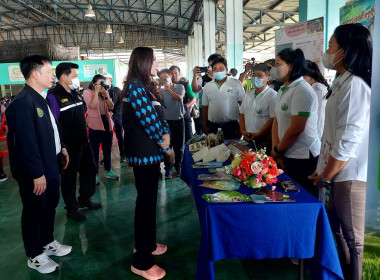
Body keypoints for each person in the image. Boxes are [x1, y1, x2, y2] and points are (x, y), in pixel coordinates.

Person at [309, 23, 372, 280]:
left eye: (330, 46)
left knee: (355, 242)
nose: (326, 52)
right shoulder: (342, 83)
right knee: (341, 235)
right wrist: (322, 172)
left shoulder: (355, 85)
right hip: (336, 173)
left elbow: (348, 139)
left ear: (344, 51)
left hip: (350, 175)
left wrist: (326, 175)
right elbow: (331, 136)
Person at [6, 55, 71, 274]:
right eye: (48, 71)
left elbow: (52, 128)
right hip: (35, 170)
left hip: (50, 163)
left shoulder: (41, 97)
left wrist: (61, 147)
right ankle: (34, 255)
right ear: (35, 73)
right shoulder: (23, 103)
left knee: (50, 205)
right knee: (34, 210)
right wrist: (36, 173)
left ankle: (47, 241)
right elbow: (25, 143)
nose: (52, 75)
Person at [122, 47, 174, 280]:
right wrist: (165, 145)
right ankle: (141, 261)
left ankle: (149, 244)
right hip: (144, 154)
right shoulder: (134, 86)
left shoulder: (145, 86)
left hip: (152, 153)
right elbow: (149, 121)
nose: (156, 64)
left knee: (149, 203)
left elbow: (159, 117)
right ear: (143, 62)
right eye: (153, 60)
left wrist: (167, 137)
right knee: (145, 206)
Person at [47, 62, 101, 223]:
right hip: (68, 146)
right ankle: (72, 208)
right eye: (75, 76)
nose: (77, 79)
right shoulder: (53, 95)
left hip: (84, 141)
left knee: (90, 170)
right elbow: (53, 124)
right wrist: (62, 146)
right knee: (69, 178)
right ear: (63, 77)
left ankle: (85, 199)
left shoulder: (75, 93)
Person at [270, 48, 320, 198]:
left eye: (278, 64)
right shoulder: (282, 90)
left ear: (290, 66)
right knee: (287, 195)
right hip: (286, 152)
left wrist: (278, 150)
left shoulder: (302, 90)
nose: (274, 68)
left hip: (303, 156)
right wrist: (276, 149)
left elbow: (297, 128)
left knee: (303, 197)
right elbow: (277, 121)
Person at [83, 75, 119, 182]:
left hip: (106, 122)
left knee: (108, 149)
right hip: (95, 124)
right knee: (94, 151)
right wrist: (96, 92)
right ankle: (94, 174)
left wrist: (106, 95)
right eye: (100, 83)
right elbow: (93, 105)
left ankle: (108, 170)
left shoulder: (104, 92)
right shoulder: (87, 92)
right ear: (94, 84)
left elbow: (111, 106)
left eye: (103, 82)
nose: (102, 85)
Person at [202, 56, 245, 139]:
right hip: (213, 126)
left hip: (231, 126)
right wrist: (205, 125)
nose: (218, 71)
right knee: (214, 150)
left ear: (226, 69)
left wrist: (242, 126)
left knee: (231, 149)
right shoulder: (207, 86)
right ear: (212, 70)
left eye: (221, 69)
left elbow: (243, 105)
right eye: (215, 69)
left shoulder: (236, 83)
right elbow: (205, 108)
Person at [239, 63, 277, 153]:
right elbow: (242, 114)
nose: (256, 78)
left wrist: (258, 134)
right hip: (247, 138)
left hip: (264, 140)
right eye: (254, 75)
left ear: (268, 78)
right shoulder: (248, 94)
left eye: (259, 75)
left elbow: (273, 119)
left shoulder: (273, 95)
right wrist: (243, 130)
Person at [159, 69, 185, 178]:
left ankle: (178, 167)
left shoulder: (180, 87)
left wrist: (169, 89)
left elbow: (179, 98)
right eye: (162, 78)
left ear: (170, 76)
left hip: (178, 121)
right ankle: (168, 169)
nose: (164, 80)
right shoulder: (160, 91)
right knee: (167, 146)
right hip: (166, 123)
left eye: (165, 77)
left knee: (179, 147)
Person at [102, 72, 125, 162]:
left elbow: (119, 104)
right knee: (107, 137)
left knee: (120, 135)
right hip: (106, 116)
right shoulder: (102, 90)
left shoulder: (116, 90)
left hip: (117, 116)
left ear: (111, 79)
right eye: (103, 79)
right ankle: (106, 157)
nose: (104, 80)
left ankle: (123, 154)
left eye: (106, 78)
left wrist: (113, 112)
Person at [168, 65, 196, 141]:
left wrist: (185, 106)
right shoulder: (166, 86)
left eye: (176, 73)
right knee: (175, 139)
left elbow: (193, 98)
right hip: (171, 116)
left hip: (184, 114)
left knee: (188, 138)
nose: (174, 75)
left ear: (179, 74)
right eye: (171, 73)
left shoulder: (185, 85)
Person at [304, 60, 330, 139]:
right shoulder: (312, 88)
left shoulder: (318, 89)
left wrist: (316, 139)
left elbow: (319, 117)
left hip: (316, 136)